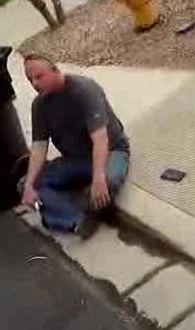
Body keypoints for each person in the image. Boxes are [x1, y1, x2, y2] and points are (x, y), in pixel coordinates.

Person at [20, 54, 130, 236]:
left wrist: (98, 177)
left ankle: (62, 210)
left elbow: (100, 139)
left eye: (39, 76)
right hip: (75, 160)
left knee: (106, 181)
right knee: (25, 184)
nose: (35, 83)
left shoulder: (84, 89)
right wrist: (30, 185)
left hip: (111, 152)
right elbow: (39, 148)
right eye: (30, 79)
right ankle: (75, 220)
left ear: (55, 70)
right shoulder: (39, 105)